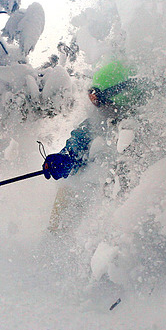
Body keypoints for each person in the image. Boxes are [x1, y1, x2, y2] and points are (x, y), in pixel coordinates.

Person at [41, 59, 152, 231]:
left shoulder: (147, 122)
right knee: (70, 187)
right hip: (97, 200)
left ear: (119, 94)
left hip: (133, 208)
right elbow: (80, 138)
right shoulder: (101, 120)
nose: (95, 104)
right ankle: (55, 240)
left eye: (98, 97)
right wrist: (66, 157)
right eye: (91, 96)